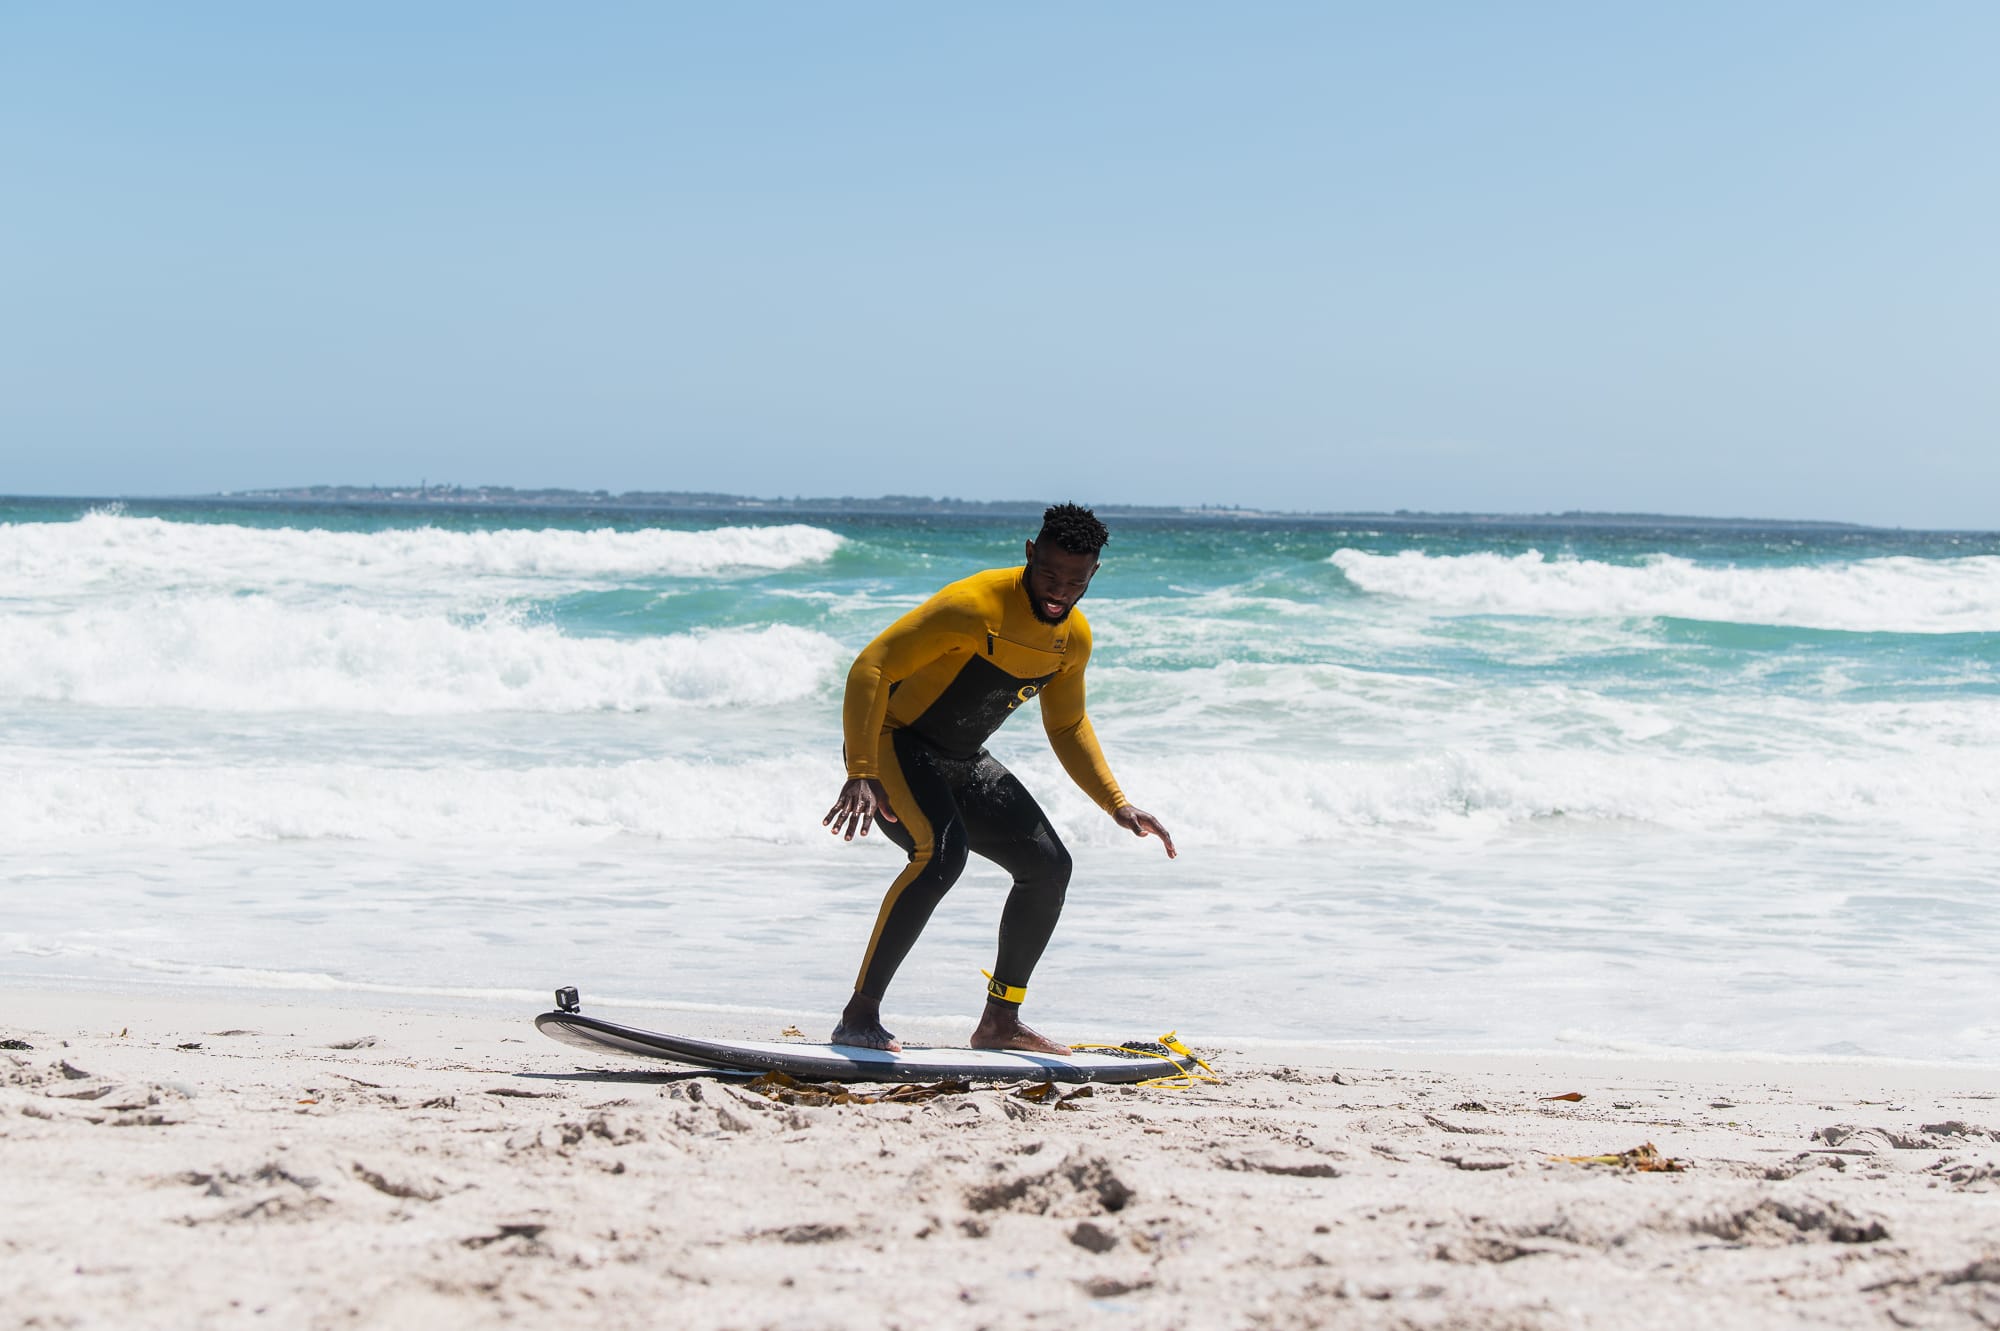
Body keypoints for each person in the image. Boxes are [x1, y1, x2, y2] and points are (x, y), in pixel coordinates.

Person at [822, 502, 1175, 1054]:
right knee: (940, 857)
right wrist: (861, 771)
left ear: (1095, 574)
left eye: (1076, 581)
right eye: (1049, 573)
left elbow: (1068, 725)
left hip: (961, 757)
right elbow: (872, 667)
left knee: (1049, 866)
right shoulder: (972, 606)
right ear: (1030, 553)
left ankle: (999, 1022)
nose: (1059, 591)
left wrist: (1116, 802)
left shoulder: (1072, 639)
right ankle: (859, 1015)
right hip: (893, 741)